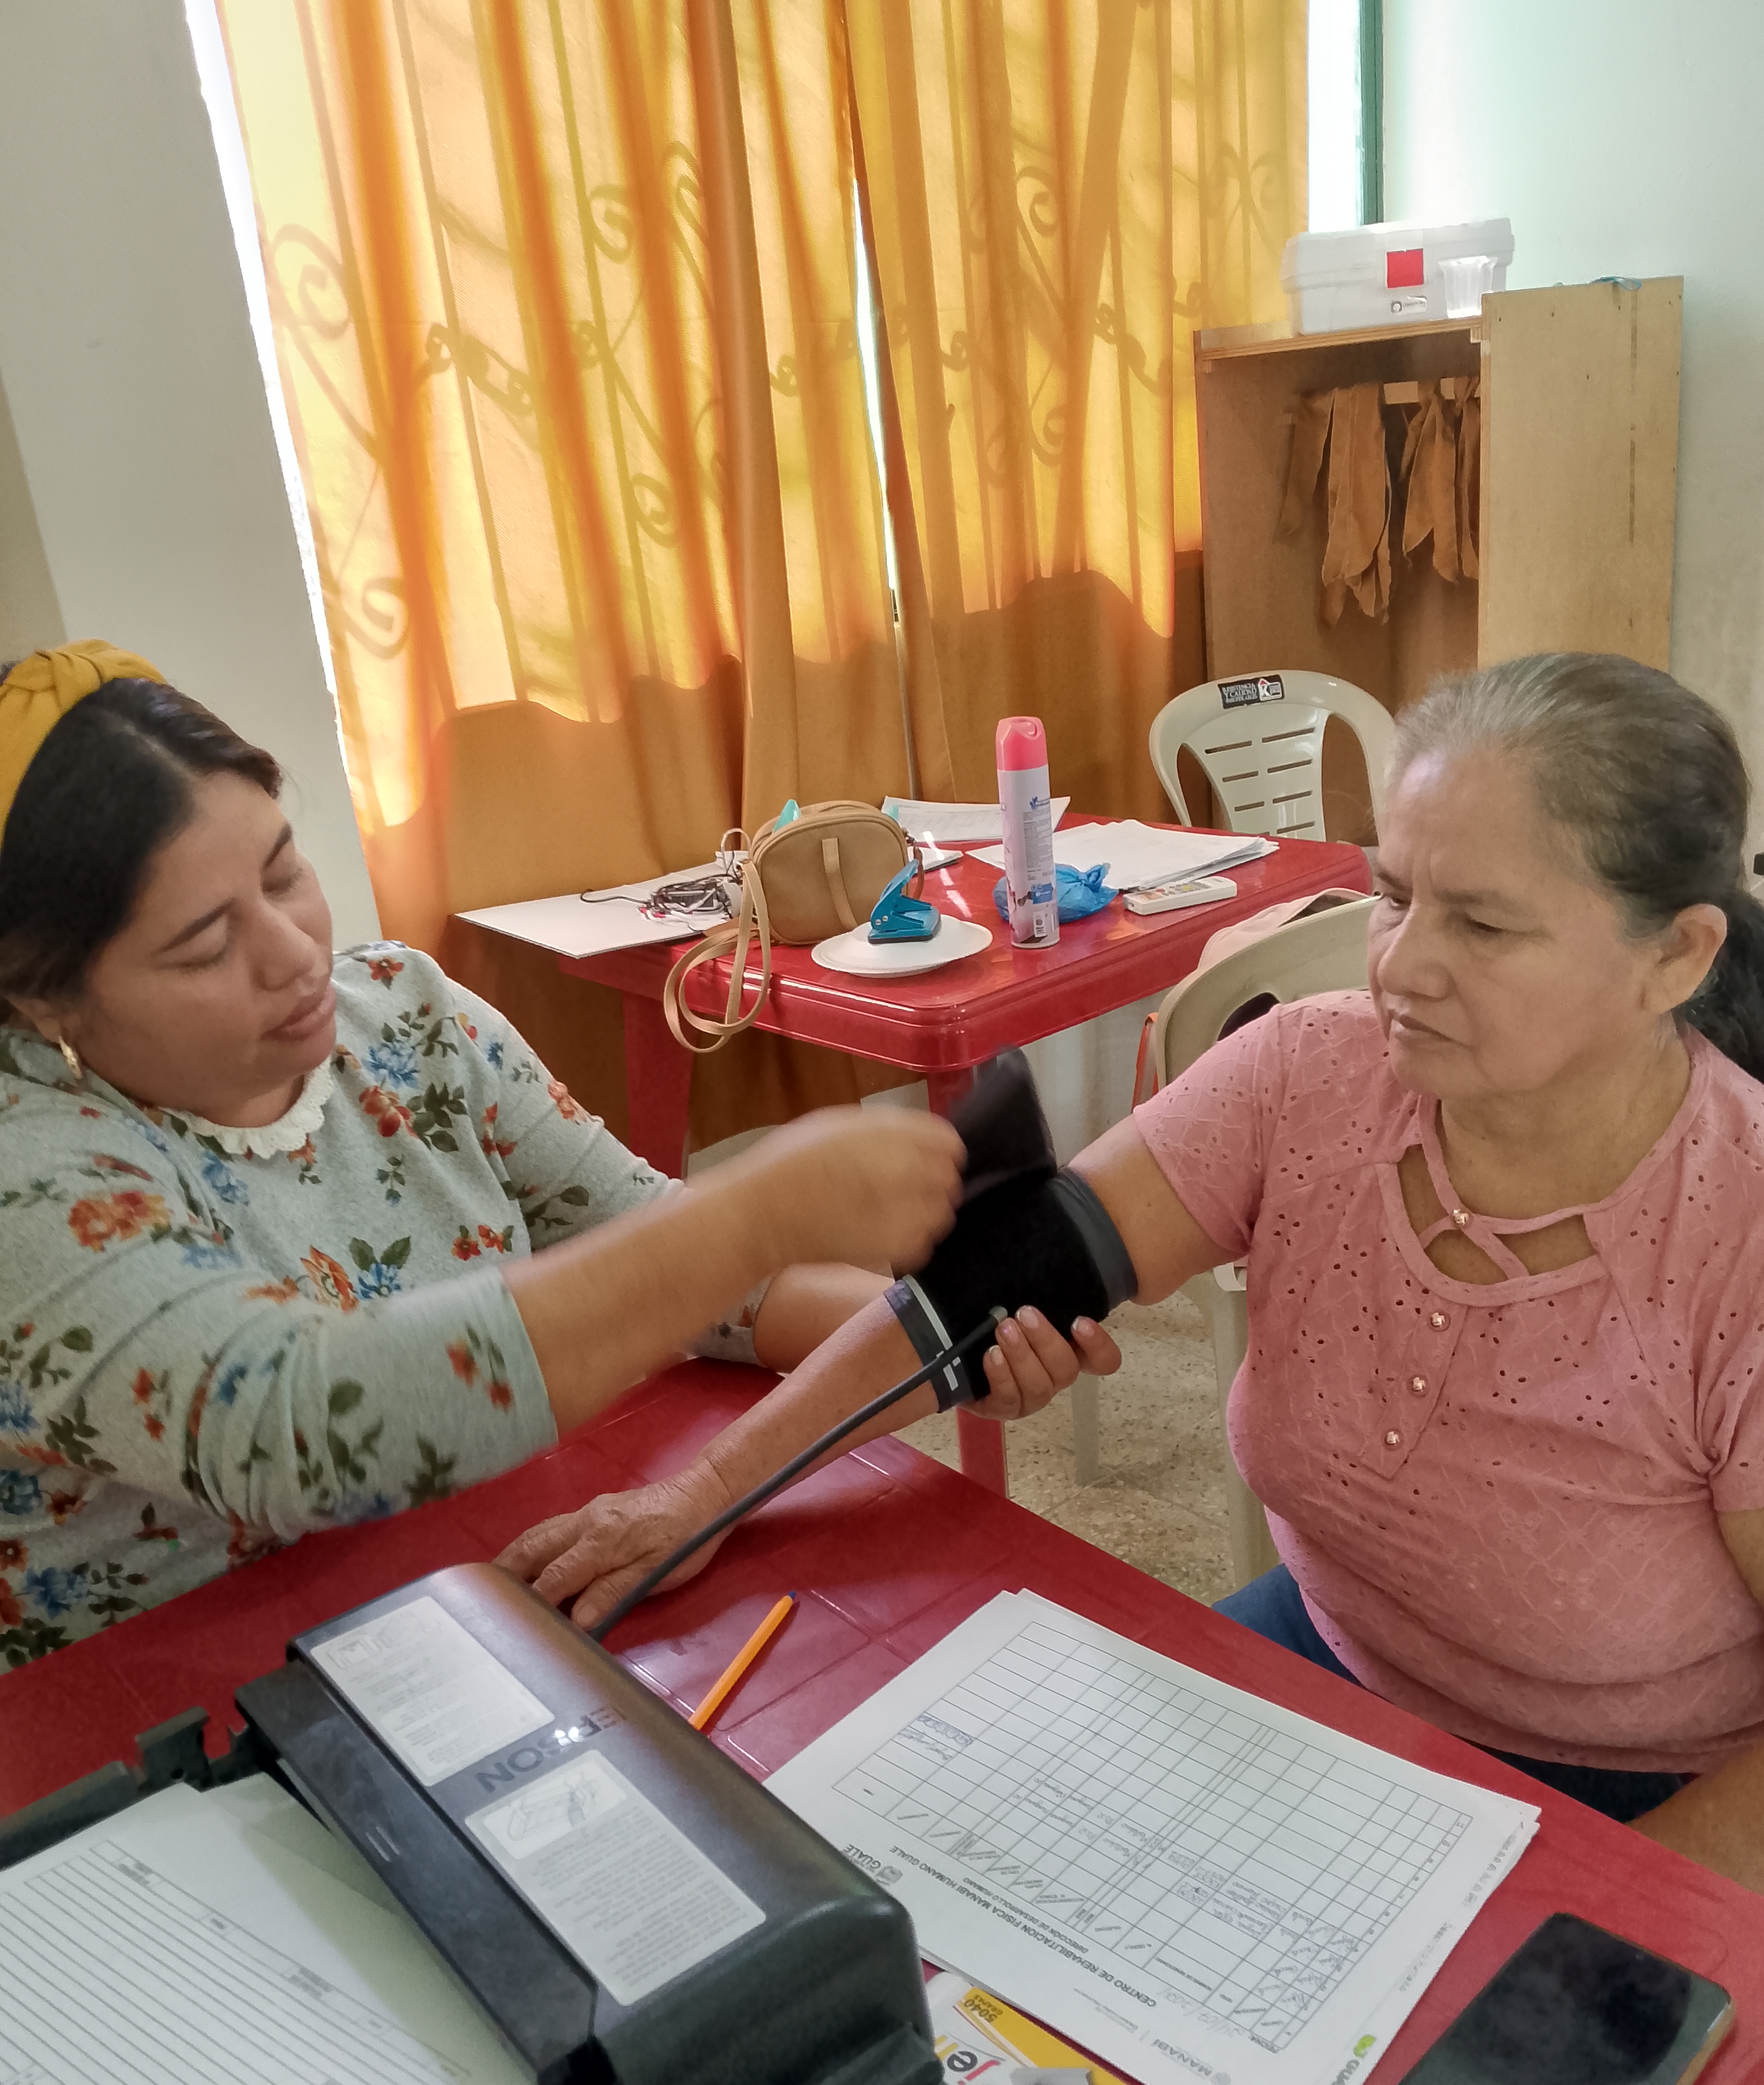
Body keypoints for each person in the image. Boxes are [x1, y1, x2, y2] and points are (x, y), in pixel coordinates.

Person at [504, 654, 1764, 1894]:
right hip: (1334, 1658)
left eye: (1483, 925)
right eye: (1392, 895)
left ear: (1676, 957)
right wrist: (701, 1497)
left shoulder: (1738, 1237)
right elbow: (1000, 1282)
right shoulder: (1308, 1074)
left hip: (1638, 1783)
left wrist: (1621, 1914)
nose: (1401, 965)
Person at [0, 642, 1102, 1663]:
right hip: (164, 1712)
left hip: (469, 1605)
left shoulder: (405, 1018)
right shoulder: (34, 1175)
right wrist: (757, 1212)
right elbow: (301, 1429)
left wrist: (940, 1335)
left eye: (285, 873)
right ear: (45, 999)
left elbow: (692, 1277)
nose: (294, 954)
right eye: (206, 945)